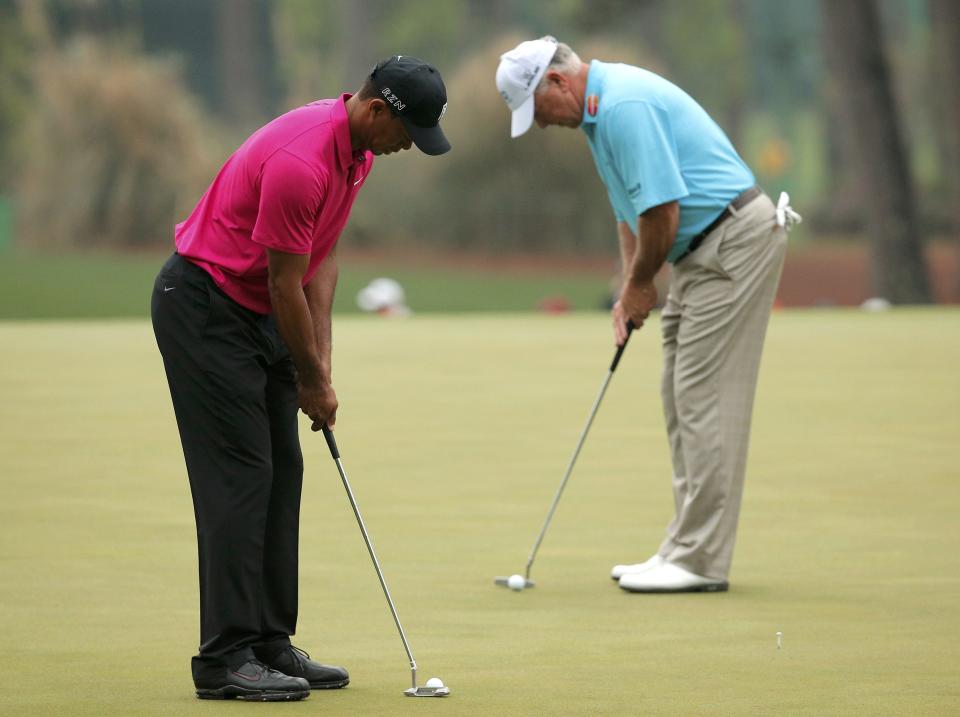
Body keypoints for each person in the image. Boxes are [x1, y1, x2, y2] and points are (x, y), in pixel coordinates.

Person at [151, 56, 450, 701]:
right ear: (377, 111)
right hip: (206, 305)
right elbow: (283, 279)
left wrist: (320, 363)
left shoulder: (358, 155)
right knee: (241, 477)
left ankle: (267, 641)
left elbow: (323, 257)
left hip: (259, 311)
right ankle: (224, 659)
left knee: (283, 470)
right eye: (408, 133)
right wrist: (312, 379)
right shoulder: (302, 161)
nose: (408, 148)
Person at [496, 38, 798, 594]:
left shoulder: (624, 107)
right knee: (678, 394)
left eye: (536, 110)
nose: (538, 125)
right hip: (699, 251)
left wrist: (641, 286)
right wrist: (626, 288)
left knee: (704, 398)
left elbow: (662, 210)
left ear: (558, 83)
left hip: (731, 242)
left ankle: (701, 559)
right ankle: (683, 546)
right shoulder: (597, 118)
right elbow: (631, 216)